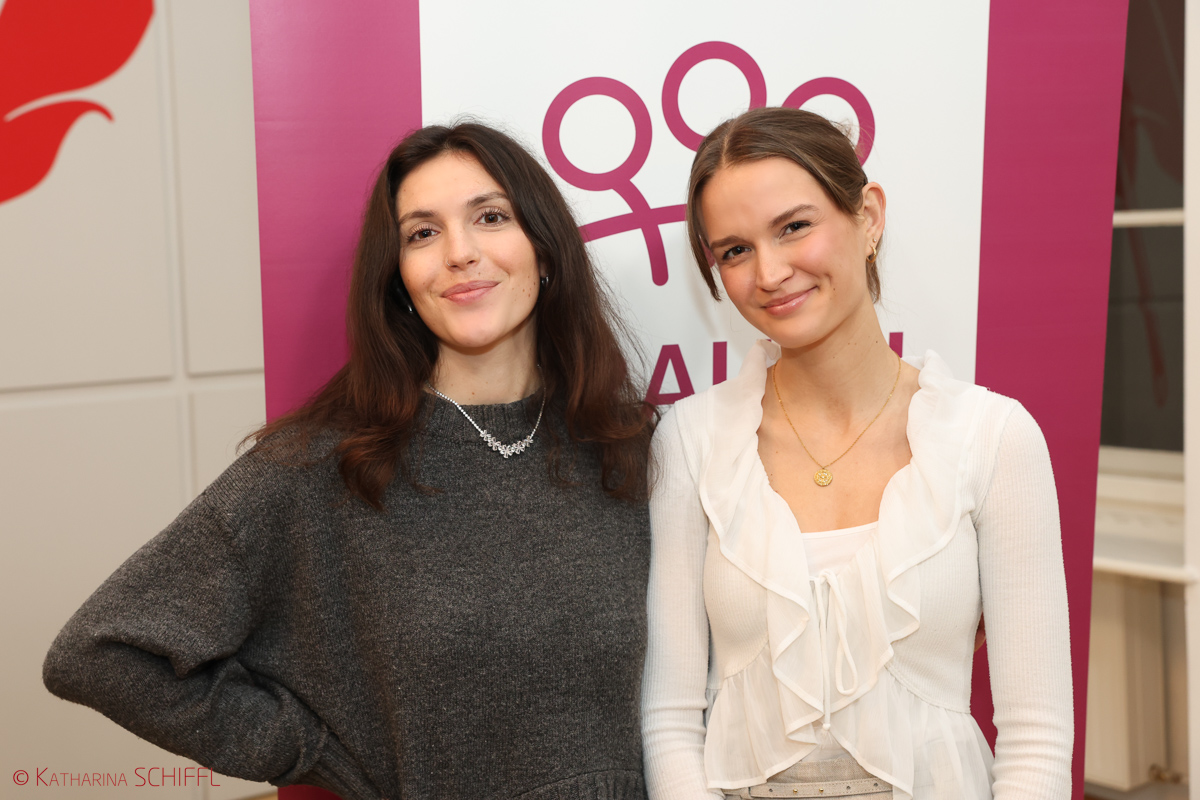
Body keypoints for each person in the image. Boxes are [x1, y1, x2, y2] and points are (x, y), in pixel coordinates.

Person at [43, 122, 655, 800]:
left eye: (490, 217)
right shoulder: (322, 469)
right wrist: (311, 751)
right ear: (400, 280)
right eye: (422, 233)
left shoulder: (628, 445)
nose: (459, 253)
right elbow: (98, 653)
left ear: (545, 249)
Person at [641, 107, 1072, 800]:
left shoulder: (992, 436)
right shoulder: (691, 441)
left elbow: (1037, 741)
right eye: (735, 250)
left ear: (868, 217)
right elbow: (670, 720)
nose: (770, 272)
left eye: (794, 227)